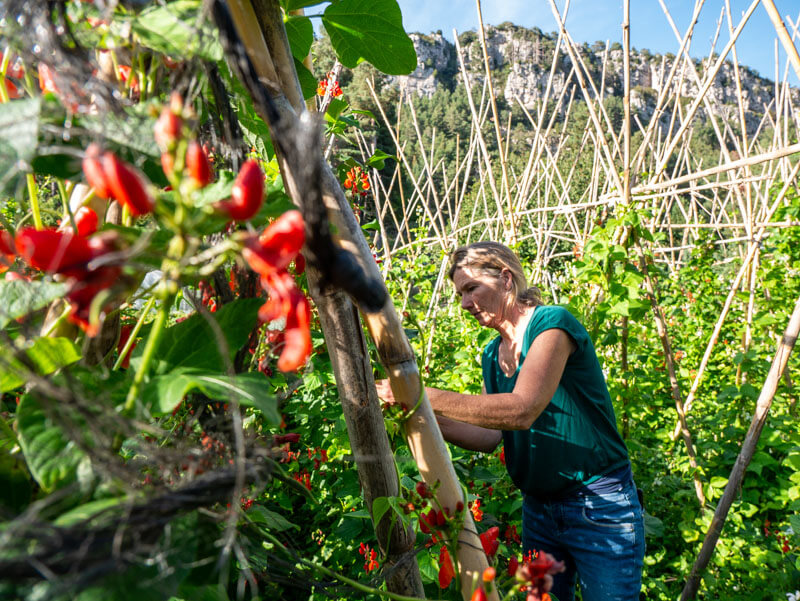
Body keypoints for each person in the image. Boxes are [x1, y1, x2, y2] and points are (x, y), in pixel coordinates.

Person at [376, 241, 644, 601]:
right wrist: (418, 415)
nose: (465, 303)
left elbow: (522, 409)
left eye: (472, 288)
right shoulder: (492, 354)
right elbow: (489, 436)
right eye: (460, 294)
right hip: (539, 512)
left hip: (598, 505)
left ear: (505, 278)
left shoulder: (552, 325)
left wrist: (419, 394)